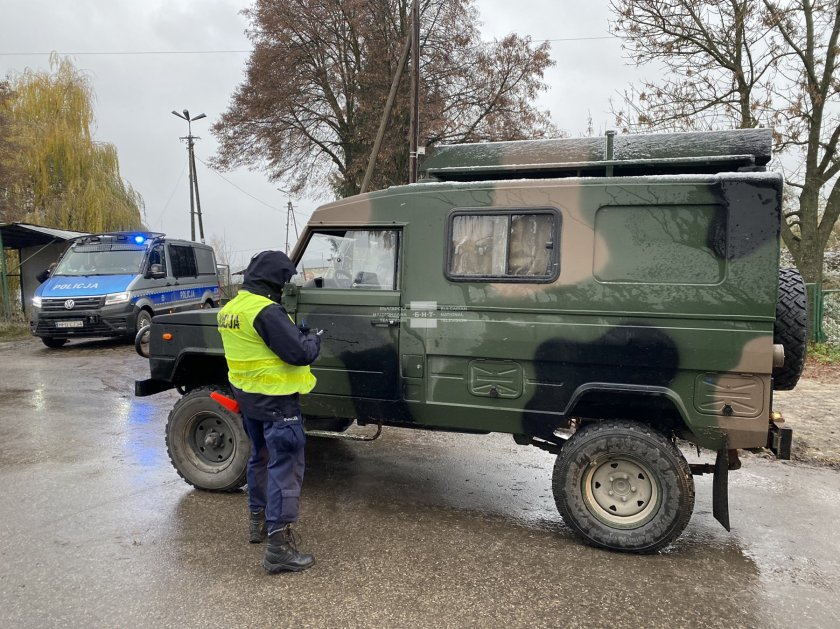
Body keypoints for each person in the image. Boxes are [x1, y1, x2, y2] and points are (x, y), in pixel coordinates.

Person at [216, 250, 322, 573]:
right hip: (278, 403)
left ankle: (257, 523)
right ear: (274, 280)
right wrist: (315, 339)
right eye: (286, 279)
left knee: (259, 458)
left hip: (250, 401)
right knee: (285, 467)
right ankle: (278, 548)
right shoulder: (266, 311)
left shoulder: (231, 309)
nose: (288, 285)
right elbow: (299, 352)